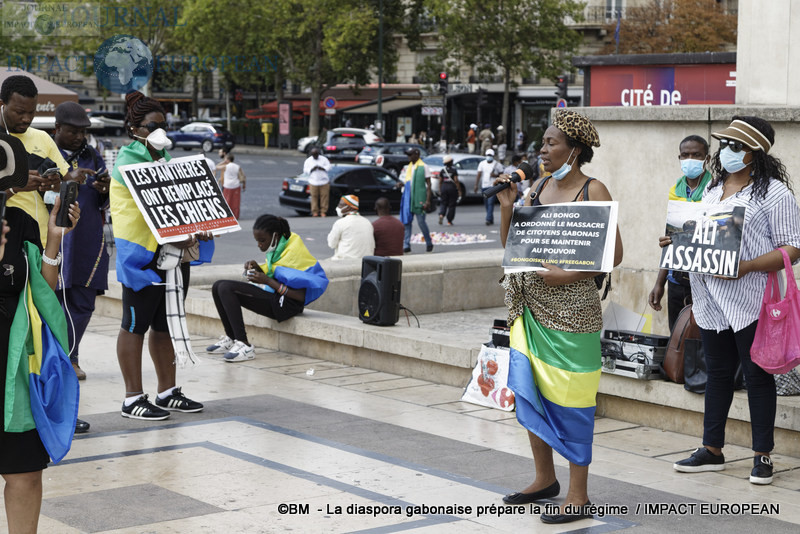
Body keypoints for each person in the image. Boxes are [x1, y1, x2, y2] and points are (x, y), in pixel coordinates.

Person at [495, 109, 623, 524]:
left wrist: (567, 275)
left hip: (574, 314)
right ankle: (544, 479)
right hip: (530, 310)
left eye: (551, 143)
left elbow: (613, 255)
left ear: (576, 150)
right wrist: (507, 208)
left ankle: (578, 495)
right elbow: (514, 247)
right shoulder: (538, 187)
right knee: (530, 391)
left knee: (572, 400)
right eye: (544, 143)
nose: (543, 149)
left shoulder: (593, 189)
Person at [669, 116, 800, 486]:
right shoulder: (711, 191)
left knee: (757, 376)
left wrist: (747, 267)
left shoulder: (774, 193)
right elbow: (699, 238)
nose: (726, 151)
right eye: (724, 144)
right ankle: (712, 449)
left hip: (752, 298)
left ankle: (762, 455)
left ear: (754, 153)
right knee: (717, 373)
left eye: (735, 146)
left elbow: (794, 246)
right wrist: (676, 243)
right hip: (711, 300)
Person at [110, 91, 213, 421]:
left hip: (173, 254)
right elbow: (151, 209)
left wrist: (202, 222)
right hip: (143, 255)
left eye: (164, 125)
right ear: (135, 128)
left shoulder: (163, 159)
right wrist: (182, 230)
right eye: (153, 125)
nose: (161, 131)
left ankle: (167, 391)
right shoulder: (129, 162)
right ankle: (132, 398)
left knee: (166, 323)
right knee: (134, 324)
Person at [0, 132, 81, 534]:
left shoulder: (19, 222)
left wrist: (53, 237)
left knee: (25, 473)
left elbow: (42, 292)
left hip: (14, 367)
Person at [207, 215, 328, 362]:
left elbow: (300, 297)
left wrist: (268, 281)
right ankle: (232, 338)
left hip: (286, 305)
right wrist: (258, 268)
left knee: (226, 287)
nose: (259, 245)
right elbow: (276, 273)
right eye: (257, 241)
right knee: (217, 286)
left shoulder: (293, 253)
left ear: (275, 236)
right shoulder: (280, 247)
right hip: (276, 297)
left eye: (262, 240)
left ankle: (244, 345)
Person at [0, 75, 90, 246]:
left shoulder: (42, 138)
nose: (26, 118)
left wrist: (56, 186)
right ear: (1, 105)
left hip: (41, 241)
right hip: (5, 244)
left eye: (31, 112)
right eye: (19, 112)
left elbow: (72, 189)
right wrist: (16, 186)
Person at [648, 135, 712, 331]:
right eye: (685, 155)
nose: (690, 159)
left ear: (707, 159)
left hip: (706, 281)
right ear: (679, 158)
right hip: (676, 279)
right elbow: (671, 238)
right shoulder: (675, 191)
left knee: (704, 342)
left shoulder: (716, 190)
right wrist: (660, 282)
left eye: (696, 155)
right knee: (677, 338)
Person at [399, 147, 433, 253]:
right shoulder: (408, 167)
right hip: (408, 199)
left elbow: (429, 185)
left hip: (419, 199)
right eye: (408, 155)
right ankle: (406, 244)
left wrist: (428, 200)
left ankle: (429, 242)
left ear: (417, 155)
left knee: (421, 222)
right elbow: (409, 183)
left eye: (410, 155)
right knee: (407, 222)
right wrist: (402, 184)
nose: (408, 157)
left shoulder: (424, 167)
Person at [327, 195, 375, 260]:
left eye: (341, 205)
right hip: (365, 262)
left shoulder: (340, 223)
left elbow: (331, 244)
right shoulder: (367, 222)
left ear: (349, 208)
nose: (338, 208)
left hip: (345, 262)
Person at [474, 148, 503, 225]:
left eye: (490, 155)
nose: (489, 156)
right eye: (488, 155)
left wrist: (495, 175)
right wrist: (476, 185)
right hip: (484, 186)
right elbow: (479, 174)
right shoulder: (482, 164)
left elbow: (502, 175)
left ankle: (488, 219)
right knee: (486, 203)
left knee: (490, 203)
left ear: (493, 156)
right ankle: (490, 218)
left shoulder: (497, 164)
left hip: (493, 186)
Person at [303, 147, 331, 217]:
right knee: (314, 197)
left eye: (316, 154)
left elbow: (329, 167)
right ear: (311, 154)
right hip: (313, 181)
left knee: (324, 197)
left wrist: (323, 168)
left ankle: (323, 211)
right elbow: (305, 170)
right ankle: (315, 211)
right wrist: (312, 169)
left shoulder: (324, 159)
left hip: (324, 181)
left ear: (318, 154)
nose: (315, 156)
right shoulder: (308, 160)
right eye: (313, 155)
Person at [217, 153, 246, 219]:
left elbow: (216, 167)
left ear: (227, 159)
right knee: (236, 202)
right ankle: (236, 216)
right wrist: (244, 185)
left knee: (227, 201)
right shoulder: (238, 166)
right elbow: (243, 176)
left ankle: (227, 215)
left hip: (227, 186)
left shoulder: (226, 166)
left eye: (225, 158)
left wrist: (223, 162)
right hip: (236, 185)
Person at [438, 155, 461, 225]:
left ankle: (441, 214)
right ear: (451, 162)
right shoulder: (454, 170)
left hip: (444, 187)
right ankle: (449, 220)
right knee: (452, 204)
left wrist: (440, 190)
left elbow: (440, 181)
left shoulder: (442, 171)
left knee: (443, 202)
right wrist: (459, 190)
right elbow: (456, 180)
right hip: (452, 188)